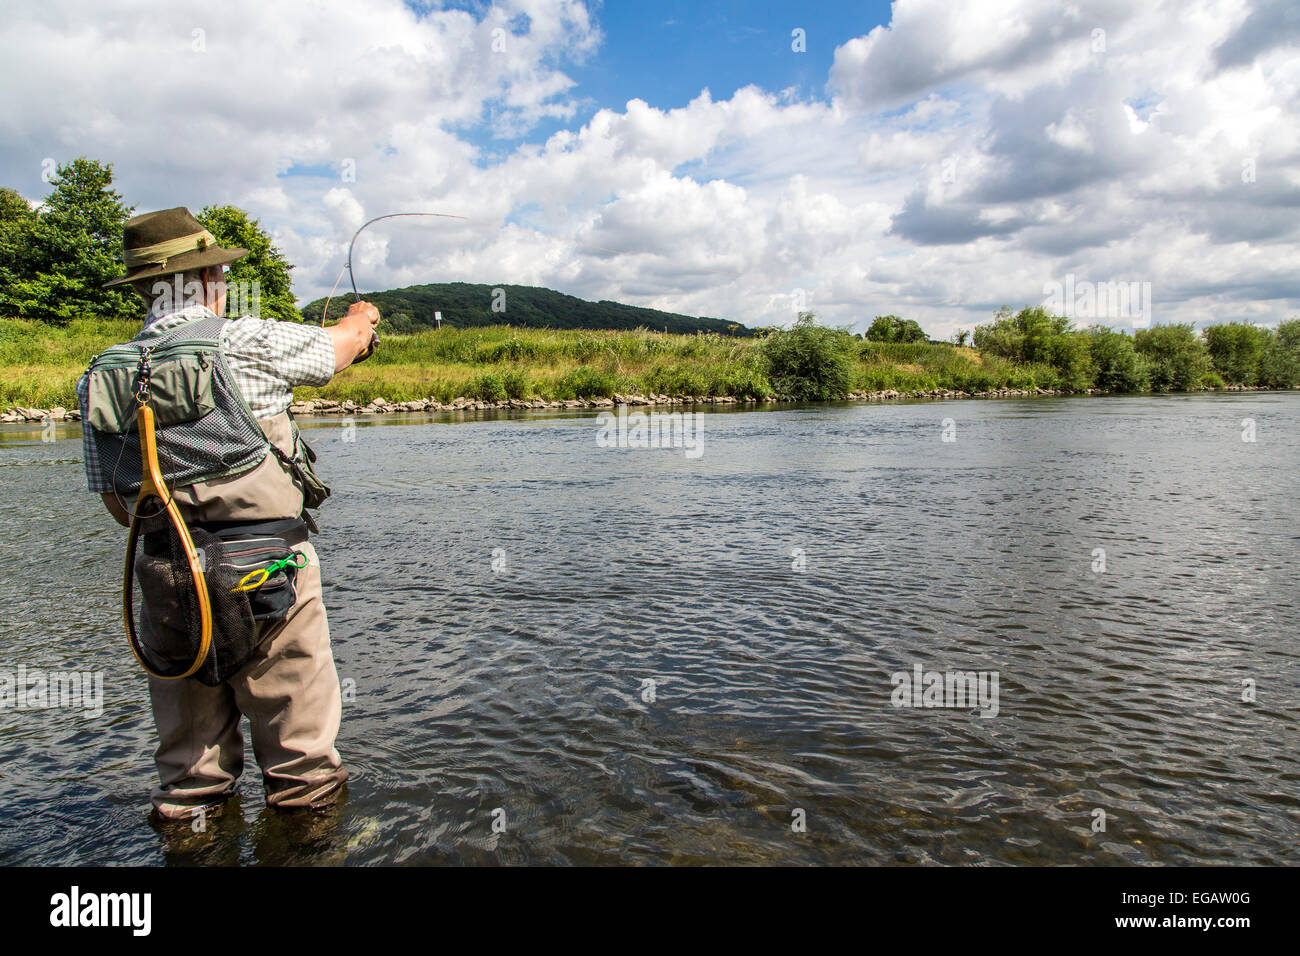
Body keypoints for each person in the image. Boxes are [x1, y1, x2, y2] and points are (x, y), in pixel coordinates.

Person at [78, 206, 379, 823]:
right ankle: (309, 844)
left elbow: (115, 502)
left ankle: (191, 841)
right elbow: (340, 351)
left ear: (140, 286)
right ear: (214, 275)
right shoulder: (247, 340)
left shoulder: (99, 377)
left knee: (190, 780)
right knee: (303, 771)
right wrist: (362, 319)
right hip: (270, 573)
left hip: (167, 581)